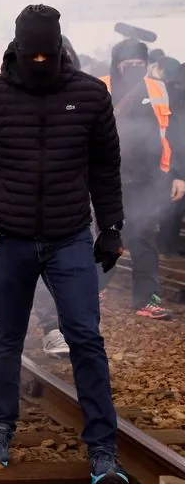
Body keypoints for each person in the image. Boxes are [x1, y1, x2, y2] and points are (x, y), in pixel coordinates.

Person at [0, 4, 129, 484]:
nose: (39, 63)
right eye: (32, 55)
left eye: (48, 54)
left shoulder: (90, 96)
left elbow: (107, 166)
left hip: (69, 237)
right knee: (7, 334)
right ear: (18, 50)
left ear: (59, 48)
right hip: (9, 238)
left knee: (85, 337)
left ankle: (104, 452)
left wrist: (111, 228)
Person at [95, 38, 185, 320]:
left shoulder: (159, 89)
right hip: (109, 178)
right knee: (109, 236)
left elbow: (169, 134)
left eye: (140, 64)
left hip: (150, 178)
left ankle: (147, 299)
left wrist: (176, 175)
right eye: (128, 63)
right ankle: (91, 289)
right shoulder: (99, 87)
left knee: (145, 237)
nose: (134, 68)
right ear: (117, 63)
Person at [157, 57, 185, 255]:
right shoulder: (176, 95)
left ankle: (166, 242)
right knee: (174, 205)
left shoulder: (169, 89)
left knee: (173, 206)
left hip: (172, 158)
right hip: (176, 159)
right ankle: (167, 244)